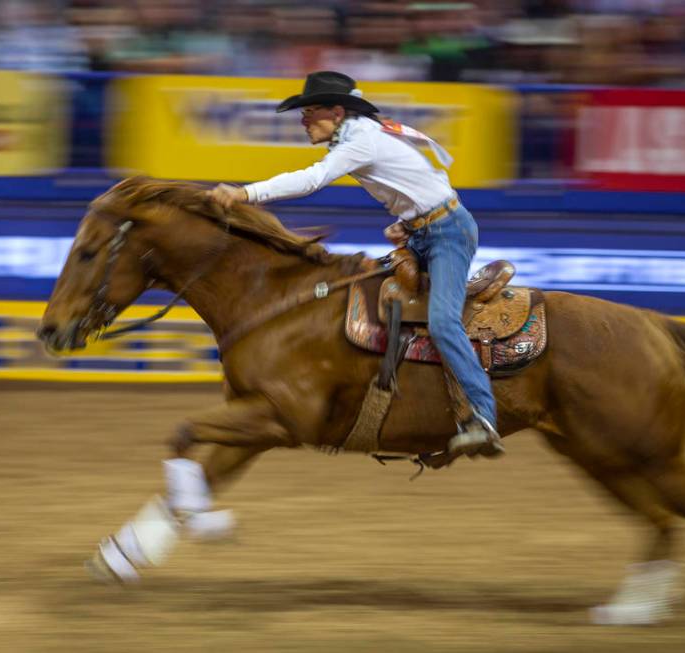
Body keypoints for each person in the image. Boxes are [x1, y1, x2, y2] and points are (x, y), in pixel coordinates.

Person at [206, 70, 502, 459]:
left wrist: (245, 193)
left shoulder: (361, 141)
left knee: (443, 321)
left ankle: (483, 415)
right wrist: (412, 218)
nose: (304, 120)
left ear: (337, 111)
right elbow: (432, 173)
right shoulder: (366, 133)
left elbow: (313, 179)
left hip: (447, 233)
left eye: (311, 112)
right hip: (429, 229)